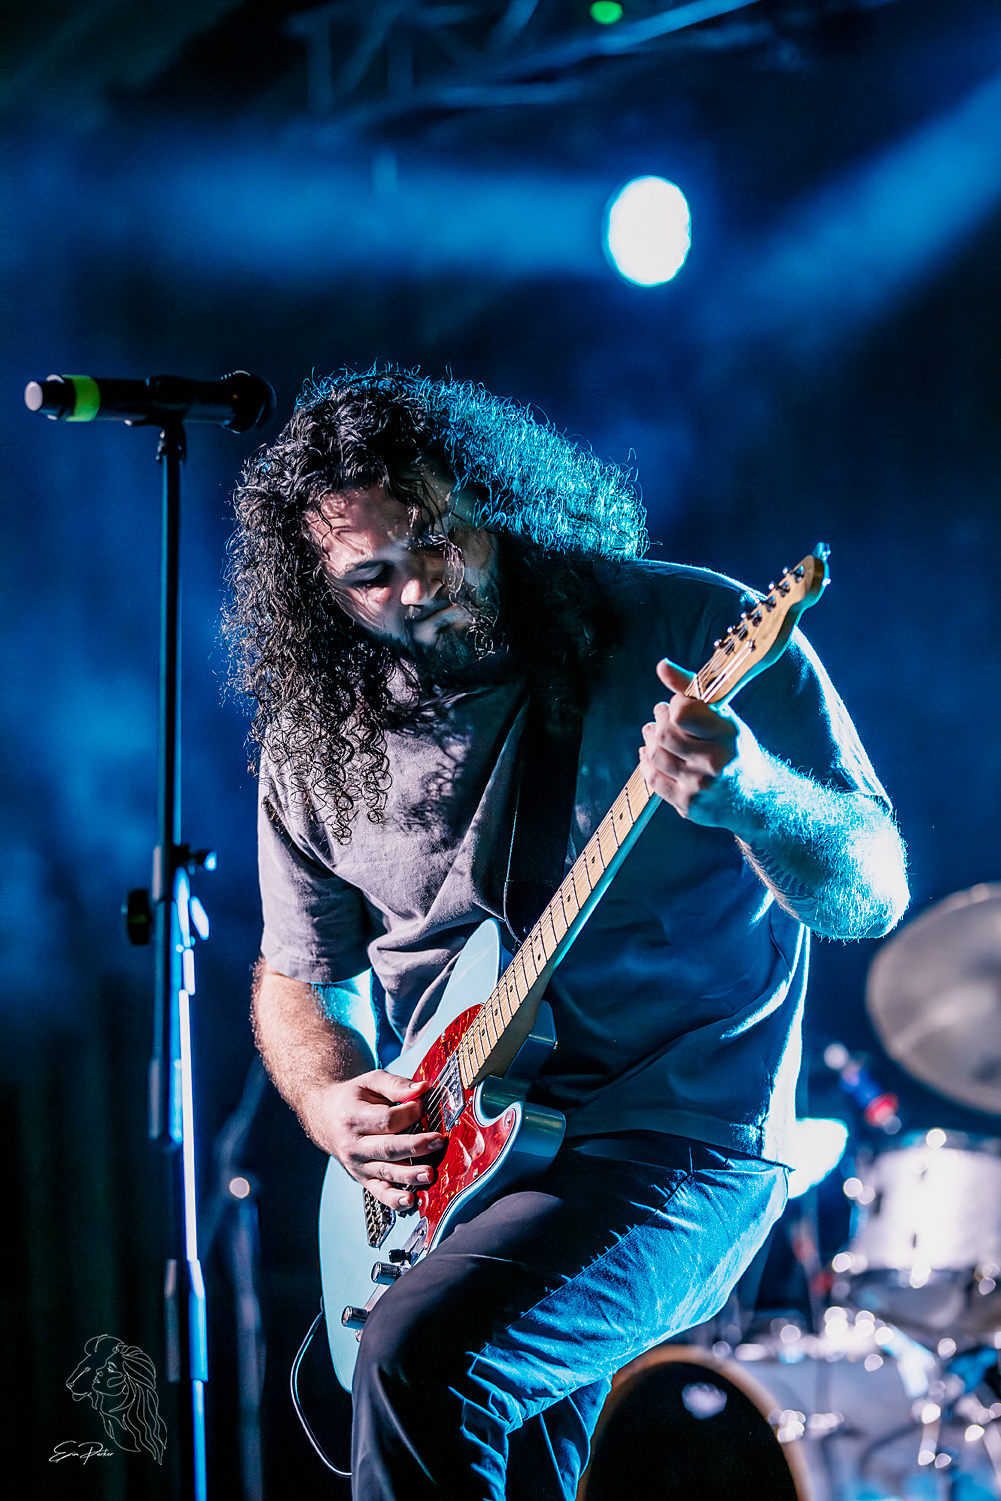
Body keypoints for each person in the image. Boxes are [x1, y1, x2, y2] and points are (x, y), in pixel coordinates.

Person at [227, 370, 908, 1501]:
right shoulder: (316, 740)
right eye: (371, 576)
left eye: (438, 537)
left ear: (494, 499)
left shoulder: (687, 629)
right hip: (464, 1167)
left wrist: (753, 796)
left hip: (679, 1142)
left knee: (423, 1357)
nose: (420, 587)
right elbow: (301, 972)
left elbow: (868, 894)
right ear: (320, 595)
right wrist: (326, 1095)